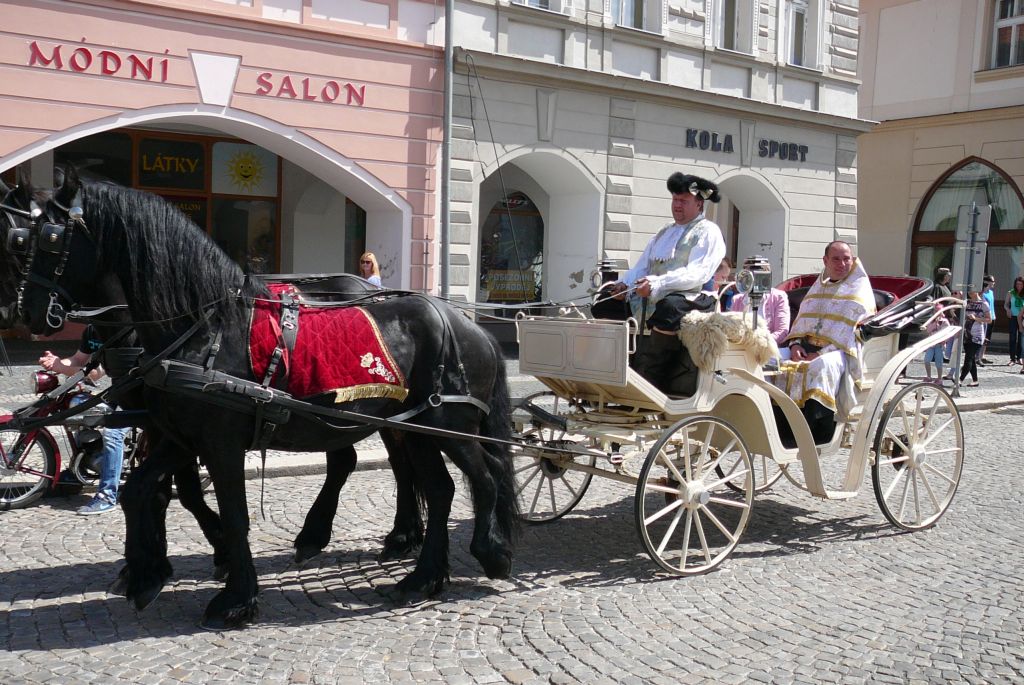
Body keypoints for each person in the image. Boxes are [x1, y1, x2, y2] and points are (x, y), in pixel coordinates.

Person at [602, 172, 726, 395]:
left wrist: (657, 283)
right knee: (605, 302)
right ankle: (616, 367)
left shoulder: (708, 231)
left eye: (683, 201)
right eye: (675, 199)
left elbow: (697, 274)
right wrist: (624, 285)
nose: (677, 205)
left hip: (692, 295)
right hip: (655, 291)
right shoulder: (663, 232)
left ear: (699, 204)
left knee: (669, 307)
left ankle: (652, 376)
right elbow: (642, 267)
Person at [776, 241, 876, 443]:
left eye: (846, 259)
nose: (842, 264)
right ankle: (777, 424)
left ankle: (817, 431)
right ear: (825, 261)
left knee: (820, 365)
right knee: (773, 359)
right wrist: (795, 345)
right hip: (804, 349)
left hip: (840, 352)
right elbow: (801, 323)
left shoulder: (859, 291)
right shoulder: (817, 289)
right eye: (836, 259)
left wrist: (820, 353)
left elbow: (849, 334)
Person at [38, 326, 127, 515]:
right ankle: (80, 470)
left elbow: (96, 372)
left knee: (113, 433)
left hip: (137, 395)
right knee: (79, 408)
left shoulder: (122, 329)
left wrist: (60, 367)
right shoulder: (92, 330)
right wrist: (54, 363)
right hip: (117, 392)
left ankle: (107, 496)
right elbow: (79, 359)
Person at [959, 289, 991, 387]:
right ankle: (975, 380)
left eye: (971, 291)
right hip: (966, 334)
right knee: (971, 358)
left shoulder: (983, 304)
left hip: (977, 336)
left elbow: (989, 319)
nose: (969, 293)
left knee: (968, 358)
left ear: (977, 291)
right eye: (968, 291)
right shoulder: (967, 302)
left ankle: (959, 380)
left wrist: (976, 318)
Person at [1004, 276, 1024, 365]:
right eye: (1017, 284)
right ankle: (1012, 359)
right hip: (1013, 317)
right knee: (1012, 337)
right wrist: (1008, 310)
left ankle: (1019, 358)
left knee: (1021, 338)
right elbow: (1006, 304)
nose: (1019, 286)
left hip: (1022, 317)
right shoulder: (1010, 292)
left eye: (1021, 284)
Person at [979, 275, 996, 364]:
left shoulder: (991, 292)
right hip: (985, 318)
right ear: (987, 282)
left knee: (987, 338)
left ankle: (982, 356)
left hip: (992, 317)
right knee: (982, 336)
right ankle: (978, 357)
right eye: (992, 281)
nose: (993, 283)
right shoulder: (982, 293)